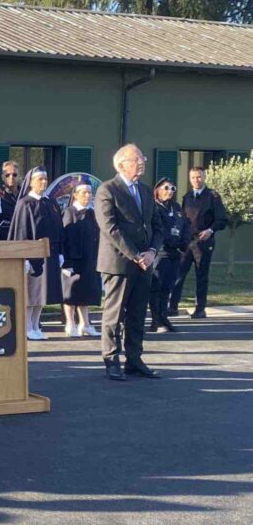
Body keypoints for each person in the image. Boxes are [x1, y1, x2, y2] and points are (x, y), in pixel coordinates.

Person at [95, 144, 164, 381]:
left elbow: (157, 225)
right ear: (121, 164)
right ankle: (111, 361)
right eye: (136, 159)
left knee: (137, 314)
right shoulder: (107, 190)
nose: (142, 162)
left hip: (144, 263)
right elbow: (110, 229)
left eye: (142, 158)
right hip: (119, 264)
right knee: (114, 315)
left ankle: (134, 360)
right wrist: (136, 254)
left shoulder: (145, 191)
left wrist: (152, 252)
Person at [9, 166, 64, 341]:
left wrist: (61, 252)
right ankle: (27, 326)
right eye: (40, 179)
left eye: (45, 178)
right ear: (31, 182)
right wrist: (22, 256)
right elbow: (20, 231)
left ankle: (36, 324)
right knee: (31, 293)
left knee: (42, 293)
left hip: (50, 254)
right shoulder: (25, 203)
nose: (44, 182)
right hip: (32, 256)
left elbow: (59, 229)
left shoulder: (51, 203)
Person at [169, 166, 228, 319]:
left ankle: (200, 309)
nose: (196, 180)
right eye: (194, 177)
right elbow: (182, 220)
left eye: (199, 177)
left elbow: (222, 220)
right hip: (187, 242)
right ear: (190, 179)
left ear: (204, 177)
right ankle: (172, 306)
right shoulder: (187, 197)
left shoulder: (212, 196)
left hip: (203, 242)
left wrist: (210, 230)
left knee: (201, 276)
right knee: (178, 274)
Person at [60, 183, 102, 337]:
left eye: (90, 193)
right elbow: (64, 237)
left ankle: (85, 324)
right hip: (72, 260)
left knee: (86, 292)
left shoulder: (93, 213)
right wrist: (65, 262)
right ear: (75, 195)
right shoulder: (69, 212)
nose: (87, 195)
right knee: (71, 293)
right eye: (84, 192)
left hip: (89, 259)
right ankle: (70, 323)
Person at [150, 179, 190, 333]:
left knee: (167, 287)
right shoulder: (154, 208)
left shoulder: (176, 207)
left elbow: (185, 225)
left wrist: (184, 242)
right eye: (166, 188)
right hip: (161, 253)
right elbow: (159, 229)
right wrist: (172, 241)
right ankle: (155, 320)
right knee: (156, 287)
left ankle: (163, 316)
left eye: (173, 188)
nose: (170, 191)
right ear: (158, 190)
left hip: (175, 253)